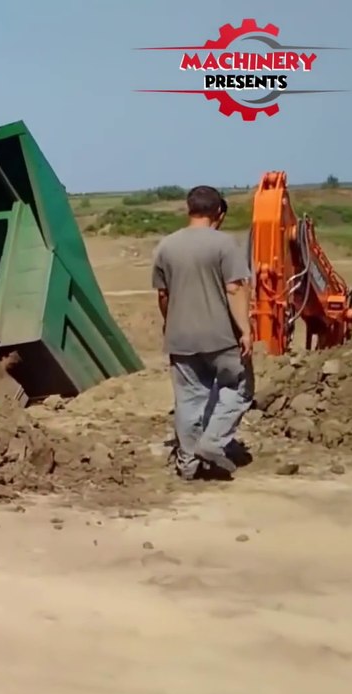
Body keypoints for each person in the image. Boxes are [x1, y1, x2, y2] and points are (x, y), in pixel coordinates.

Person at [151, 185, 253, 480]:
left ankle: (187, 464)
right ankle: (212, 442)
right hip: (220, 337)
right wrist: (245, 330)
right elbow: (234, 289)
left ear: (189, 208)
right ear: (218, 212)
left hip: (180, 338)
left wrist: (171, 324)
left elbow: (163, 295)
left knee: (189, 400)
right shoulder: (224, 245)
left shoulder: (165, 246)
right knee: (239, 388)